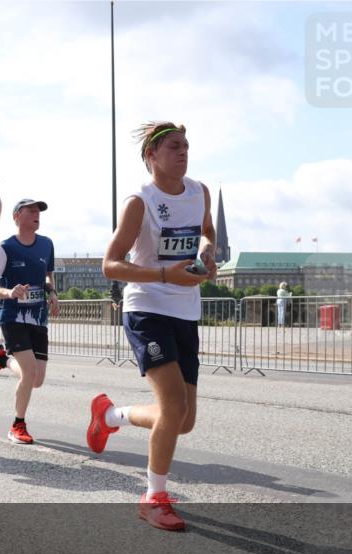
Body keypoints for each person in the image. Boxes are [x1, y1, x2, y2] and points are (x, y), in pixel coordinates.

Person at [88, 121, 216, 532]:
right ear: (152, 157)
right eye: (174, 146)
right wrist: (164, 276)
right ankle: (153, 497)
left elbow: (207, 234)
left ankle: (110, 416)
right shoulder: (139, 202)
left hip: (185, 311)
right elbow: (110, 264)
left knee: (184, 419)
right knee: (173, 406)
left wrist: (208, 255)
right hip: (146, 309)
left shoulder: (200, 193)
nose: (184, 152)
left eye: (187, 146)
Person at [0, 198, 59, 444]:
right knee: (29, 372)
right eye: (31, 210)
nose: (37, 214)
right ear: (17, 216)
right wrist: (8, 292)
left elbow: (47, 276)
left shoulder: (46, 245)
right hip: (13, 316)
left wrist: (52, 292)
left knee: (37, 380)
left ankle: (2, 359)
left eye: (39, 211)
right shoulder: (6, 248)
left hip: (37, 318)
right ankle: (17, 425)